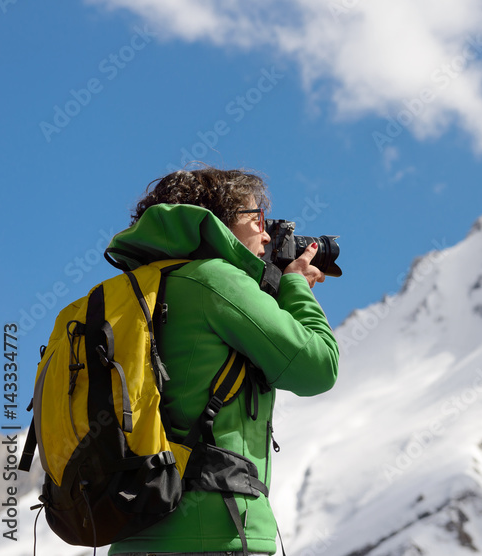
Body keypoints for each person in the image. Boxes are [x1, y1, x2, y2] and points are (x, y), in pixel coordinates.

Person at [106, 167, 339, 556]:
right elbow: (318, 368)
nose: (266, 234)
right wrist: (295, 283)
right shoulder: (216, 280)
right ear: (219, 220)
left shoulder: (129, 292)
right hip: (217, 534)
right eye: (257, 218)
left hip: (131, 534)